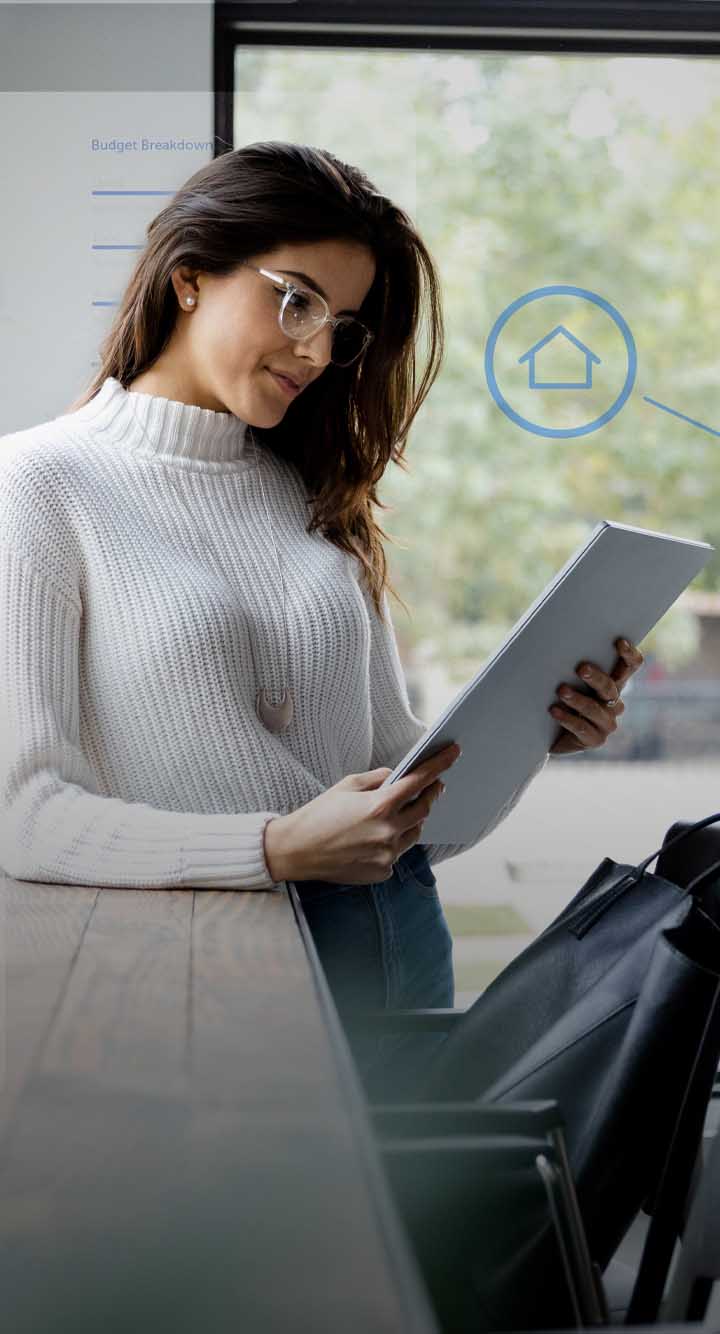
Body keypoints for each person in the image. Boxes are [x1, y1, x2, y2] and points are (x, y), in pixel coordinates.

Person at [0, 140, 643, 1098]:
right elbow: (28, 818)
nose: (316, 349)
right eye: (294, 298)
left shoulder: (314, 494)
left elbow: (399, 797)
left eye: (342, 325)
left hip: (396, 937)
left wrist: (535, 732)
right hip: (214, 958)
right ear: (189, 277)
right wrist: (272, 848)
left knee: (431, 1237)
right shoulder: (37, 485)